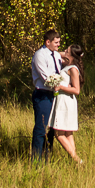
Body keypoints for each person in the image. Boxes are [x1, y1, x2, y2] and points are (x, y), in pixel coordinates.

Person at [30, 29, 62, 162]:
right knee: (41, 127)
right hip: (43, 94)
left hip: (55, 94)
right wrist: (58, 85)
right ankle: (36, 160)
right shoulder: (40, 55)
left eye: (59, 42)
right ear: (47, 42)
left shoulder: (57, 55)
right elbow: (46, 78)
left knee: (53, 128)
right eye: (56, 42)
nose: (58, 45)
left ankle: (47, 155)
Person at [52, 44, 85, 164]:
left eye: (67, 50)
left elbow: (76, 90)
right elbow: (58, 54)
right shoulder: (68, 65)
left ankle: (77, 160)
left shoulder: (73, 69)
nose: (64, 51)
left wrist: (60, 86)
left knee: (59, 133)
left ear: (71, 54)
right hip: (63, 100)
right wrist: (53, 48)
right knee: (68, 133)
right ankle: (75, 162)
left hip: (66, 102)